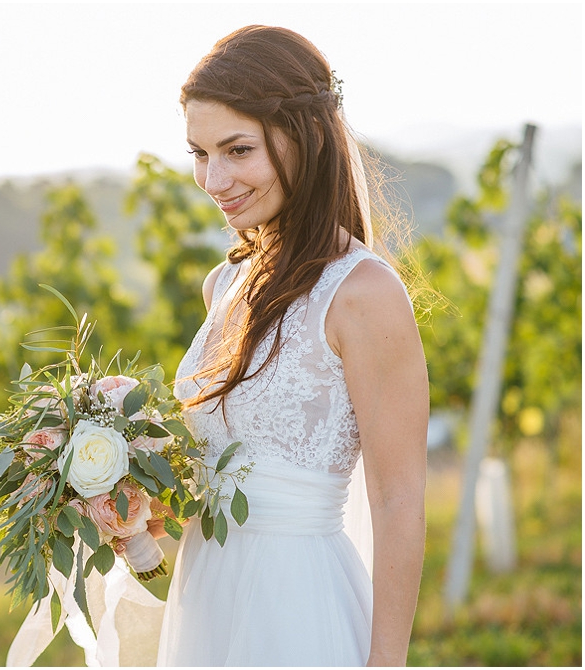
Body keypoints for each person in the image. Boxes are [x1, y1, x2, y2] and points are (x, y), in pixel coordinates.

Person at [153, 25, 429, 667]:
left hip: (297, 605)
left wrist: (385, 664)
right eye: (199, 153)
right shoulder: (223, 283)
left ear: (303, 136)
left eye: (237, 149)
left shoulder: (362, 293)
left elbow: (398, 497)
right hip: (207, 601)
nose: (212, 178)